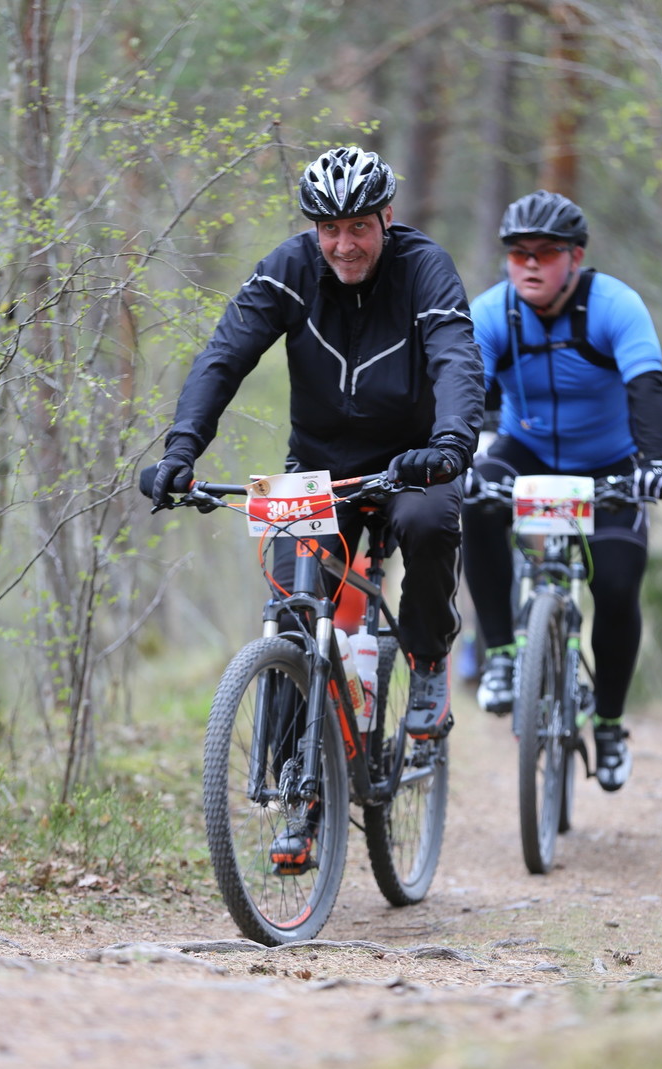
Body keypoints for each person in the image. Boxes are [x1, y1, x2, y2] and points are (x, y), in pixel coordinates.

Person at [151, 144, 485, 741]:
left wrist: (451, 445)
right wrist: (181, 450)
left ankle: (429, 662)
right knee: (292, 614)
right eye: (329, 229)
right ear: (314, 229)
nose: (344, 245)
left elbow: (455, 358)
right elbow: (224, 358)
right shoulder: (290, 269)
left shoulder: (424, 267)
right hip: (318, 468)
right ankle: (293, 800)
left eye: (359, 226)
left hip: (414, 463)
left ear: (387, 217)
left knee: (432, 524)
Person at [461, 189, 662, 791]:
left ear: (575, 258)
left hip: (609, 461)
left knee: (614, 584)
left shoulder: (615, 306)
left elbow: (648, 388)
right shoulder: (491, 313)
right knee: (474, 502)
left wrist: (654, 463)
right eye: (517, 253)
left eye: (546, 252)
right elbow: (464, 389)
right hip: (525, 450)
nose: (529, 264)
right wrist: (452, 452)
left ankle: (608, 722)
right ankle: (502, 658)